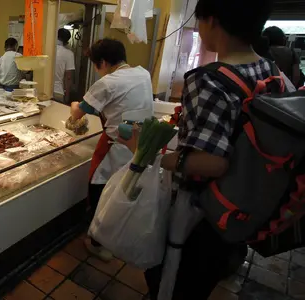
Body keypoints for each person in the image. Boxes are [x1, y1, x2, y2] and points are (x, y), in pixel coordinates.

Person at [118, 0, 296, 299]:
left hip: (202, 214)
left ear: (212, 21)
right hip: (247, 202)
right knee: (203, 277)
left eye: (199, 22)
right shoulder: (268, 68)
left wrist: (151, 153)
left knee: (172, 281)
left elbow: (211, 163)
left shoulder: (208, 79)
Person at [68, 38, 153, 261]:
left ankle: (98, 242)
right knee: (125, 189)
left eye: (97, 66)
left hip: (117, 145)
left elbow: (79, 113)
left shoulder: (108, 82)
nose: (98, 72)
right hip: (140, 143)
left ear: (103, 62)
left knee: (98, 187)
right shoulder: (142, 73)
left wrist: (74, 105)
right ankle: (117, 234)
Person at [54, 29, 76, 104]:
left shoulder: (45, 49)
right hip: (58, 91)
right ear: (67, 41)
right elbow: (68, 77)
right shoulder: (69, 54)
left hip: (41, 90)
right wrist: (67, 95)